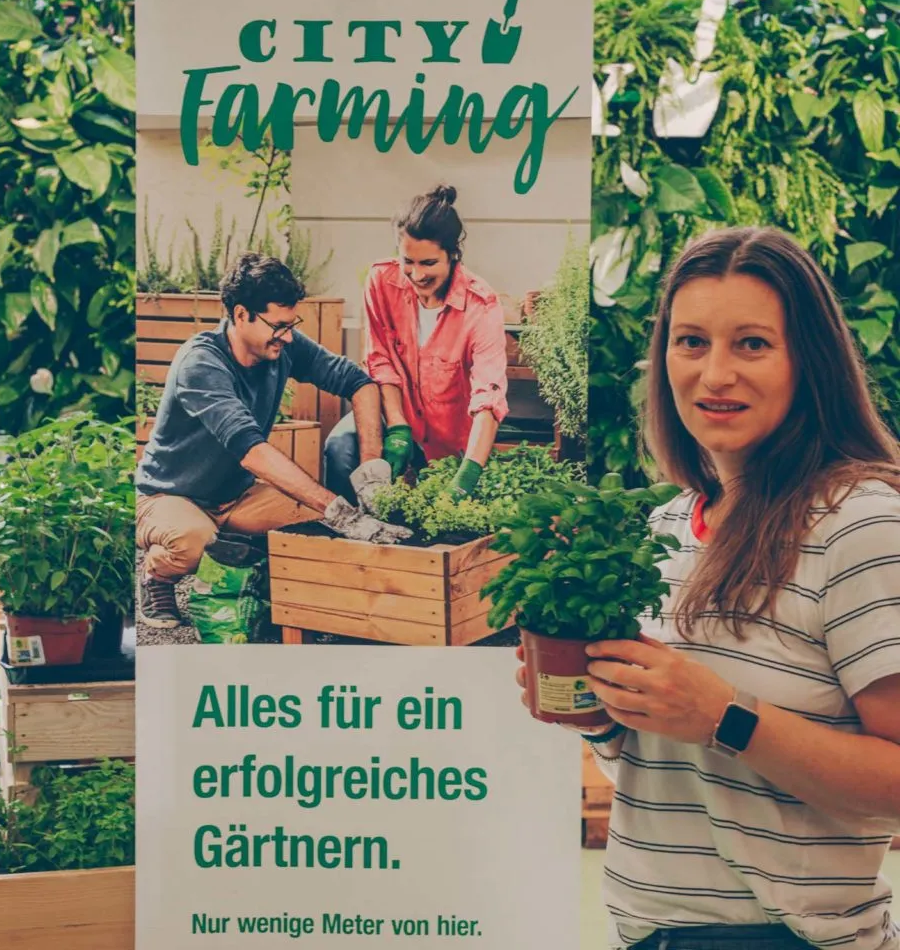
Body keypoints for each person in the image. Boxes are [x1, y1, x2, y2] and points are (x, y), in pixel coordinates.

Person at [517, 227, 900, 949]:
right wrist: (607, 718)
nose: (714, 374)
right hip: (647, 933)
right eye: (691, 342)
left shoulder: (859, 521)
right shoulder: (669, 524)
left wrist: (725, 716)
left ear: (807, 363)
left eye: (751, 344)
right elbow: (676, 773)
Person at [136, 252, 410, 628]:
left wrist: (372, 469)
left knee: (321, 526)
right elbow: (251, 451)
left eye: (291, 323)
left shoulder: (282, 346)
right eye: (278, 325)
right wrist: (338, 509)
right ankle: (157, 575)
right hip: (169, 496)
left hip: (236, 496)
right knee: (195, 541)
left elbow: (359, 383)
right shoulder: (201, 365)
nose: (288, 334)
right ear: (240, 314)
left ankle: (240, 557)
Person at [323, 184, 509, 505]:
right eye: (408, 261)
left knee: (431, 515)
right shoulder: (382, 281)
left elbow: (488, 398)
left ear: (452, 254)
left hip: (447, 442)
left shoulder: (481, 306)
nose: (416, 274)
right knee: (340, 449)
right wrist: (397, 429)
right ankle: (352, 540)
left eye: (429, 263)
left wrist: (465, 477)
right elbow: (380, 360)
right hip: (395, 413)